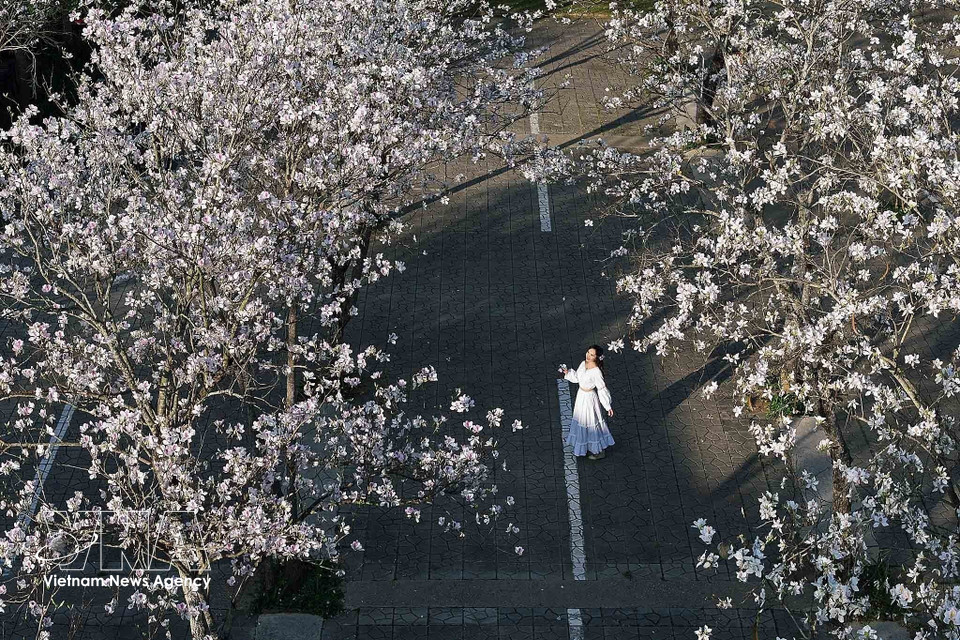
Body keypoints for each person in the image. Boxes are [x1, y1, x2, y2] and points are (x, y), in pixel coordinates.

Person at [559, 345, 614, 460]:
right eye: (588, 352)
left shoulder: (596, 372)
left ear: (597, 357)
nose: (588, 356)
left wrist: (607, 406)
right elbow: (578, 378)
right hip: (581, 396)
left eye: (592, 354)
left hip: (589, 399)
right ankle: (588, 445)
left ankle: (598, 451)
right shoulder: (583, 364)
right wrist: (567, 372)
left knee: (591, 422)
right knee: (582, 421)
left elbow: (601, 389)